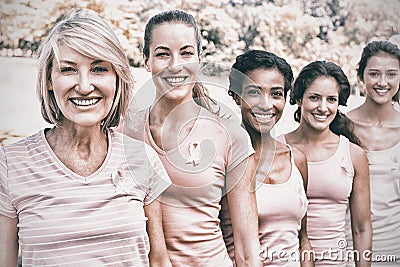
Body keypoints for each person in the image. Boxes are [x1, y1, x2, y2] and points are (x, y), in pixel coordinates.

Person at [0, 9, 172, 266]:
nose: (83, 85)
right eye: (68, 70)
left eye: (99, 69)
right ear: (49, 79)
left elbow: (159, 260)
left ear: (117, 78)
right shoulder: (10, 164)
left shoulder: (141, 157)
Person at [122, 9, 262, 267]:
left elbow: (247, 246)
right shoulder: (122, 132)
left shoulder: (231, 137)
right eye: (163, 54)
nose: (176, 65)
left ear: (199, 59)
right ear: (146, 61)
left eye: (186, 53)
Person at [220, 49, 314, 266]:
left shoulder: (296, 159)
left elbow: (303, 240)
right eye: (254, 92)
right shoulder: (222, 161)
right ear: (235, 94)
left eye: (276, 93)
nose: (266, 103)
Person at [282, 61, 372, 266]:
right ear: (298, 99)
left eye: (331, 99)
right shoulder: (277, 149)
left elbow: (361, 227)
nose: (323, 107)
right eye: (314, 97)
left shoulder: (353, 154)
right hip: (283, 260)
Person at [347, 40, 400, 264]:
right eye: (374, 74)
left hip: (395, 250)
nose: (382, 82)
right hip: (345, 248)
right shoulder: (340, 126)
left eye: (391, 74)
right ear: (361, 77)